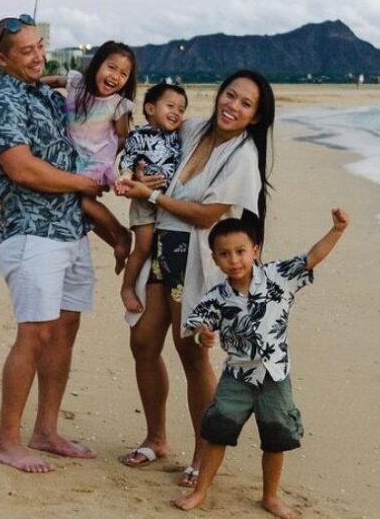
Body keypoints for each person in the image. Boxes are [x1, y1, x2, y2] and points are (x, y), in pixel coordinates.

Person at [115, 69, 274, 488]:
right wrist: (139, 173)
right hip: (162, 245)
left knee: (191, 354)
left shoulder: (243, 156)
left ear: (256, 117)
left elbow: (207, 216)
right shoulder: (194, 128)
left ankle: (204, 456)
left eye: (245, 103)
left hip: (197, 256)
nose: (232, 106)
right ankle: (156, 438)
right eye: (230, 95)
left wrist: (151, 195)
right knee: (143, 341)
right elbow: (152, 130)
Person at [0, 14, 104, 473]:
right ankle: (7, 440)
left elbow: (100, 101)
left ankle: (46, 431)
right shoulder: (1, 103)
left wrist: (57, 80)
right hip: (32, 232)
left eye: (40, 46)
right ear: (1, 58)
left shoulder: (47, 98)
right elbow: (22, 168)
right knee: (35, 334)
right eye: (26, 51)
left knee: (65, 330)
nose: (37, 56)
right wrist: (83, 183)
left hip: (71, 230)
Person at [173, 209, 350, 517]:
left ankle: (270, 497)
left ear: (254, 251)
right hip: (236, 377)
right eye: (225, 254)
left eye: (240, 251)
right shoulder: (216, 297)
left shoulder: (278, 276)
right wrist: (205, 337)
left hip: (275, 375)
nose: (234, 259)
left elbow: (311, 258)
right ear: (215, 259)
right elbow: (197, 327)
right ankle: (200, 491)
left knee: (276, 437)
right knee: (216, 433)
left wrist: (336, 230)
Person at [49, 41, 137, 273]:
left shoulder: (117, 104)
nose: (115, 76)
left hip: (96, 160)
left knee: (80, 202)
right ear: (97, 64)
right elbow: (54, 81)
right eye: (111, 67)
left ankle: (121, 235)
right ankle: (117, 241)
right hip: (72, 157)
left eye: (123, 73)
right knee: (81, 208)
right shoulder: (77, 84)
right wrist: (28, 85)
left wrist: (106, 161)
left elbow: (123, 136)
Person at [118, 82, 188, 313]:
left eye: (181, 109)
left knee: (162, 249)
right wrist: (127, 178)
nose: (176, 112)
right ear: (150, 108)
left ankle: (153, 286)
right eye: (170, 106)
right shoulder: (138, 136)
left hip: (167, 200)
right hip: (143, 200)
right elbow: (127, 160)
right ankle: (127, 288)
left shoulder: (176, 136)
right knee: (144, 246)